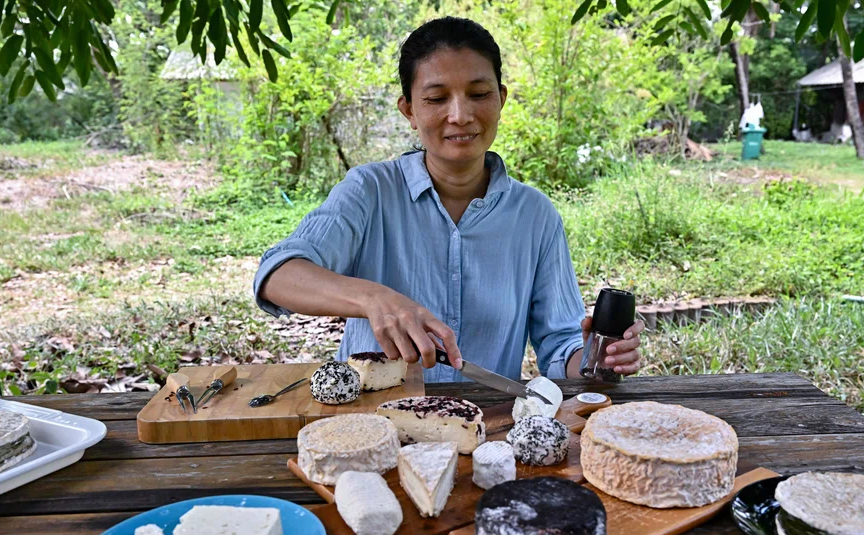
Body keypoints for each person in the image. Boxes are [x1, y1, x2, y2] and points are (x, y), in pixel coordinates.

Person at [254, 16, 645, 384]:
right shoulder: (369, 191)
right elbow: (277, 276)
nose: (460, 115)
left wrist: (599, 358)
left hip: (485, 430)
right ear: (409, 109)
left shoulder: (534, 215)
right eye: (437, 98)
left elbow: (562, 346)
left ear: (501, 99)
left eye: (478, 94)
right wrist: (374, 298)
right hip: (372, 427)